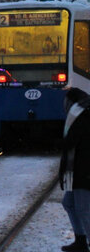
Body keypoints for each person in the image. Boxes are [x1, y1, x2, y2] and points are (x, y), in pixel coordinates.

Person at [60, 87, 90, 252]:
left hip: (84, 172)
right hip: (76, 171)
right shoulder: (78, 116)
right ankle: (81, 241)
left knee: (83, 209)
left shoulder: (83, 117)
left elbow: (71, 143)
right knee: (69, 203)